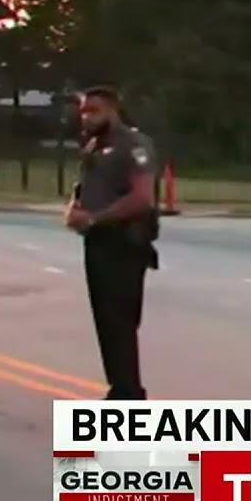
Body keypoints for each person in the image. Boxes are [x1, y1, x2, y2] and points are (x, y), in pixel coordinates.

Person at [63, 86, 158, 401]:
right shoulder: (93, 145)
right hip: (98, 242)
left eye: (93, 111)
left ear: (112, 111)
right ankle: (121, 388)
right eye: (83, 112)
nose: (86, 117)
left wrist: (94, 219)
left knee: (120, 320)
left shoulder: (134, 144)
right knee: (106, 321)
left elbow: (142, 197)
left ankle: (129, 394)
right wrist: (75, 209)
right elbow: (85, 185)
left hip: (124, 242)